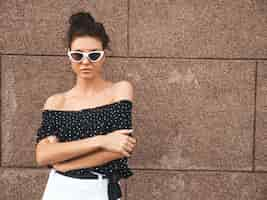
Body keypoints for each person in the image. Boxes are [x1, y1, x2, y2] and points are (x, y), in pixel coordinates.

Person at [35, 11, 137, 200]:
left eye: (94, 55)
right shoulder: (57, 101)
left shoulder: (119, 90)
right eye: (77, 55)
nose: (85, 62)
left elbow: (121, 148)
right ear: (69, 56)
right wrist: (101, 140)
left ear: (104, 55)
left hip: (100, 188)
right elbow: (43, 155)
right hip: (59, 189)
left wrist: (66, 163)